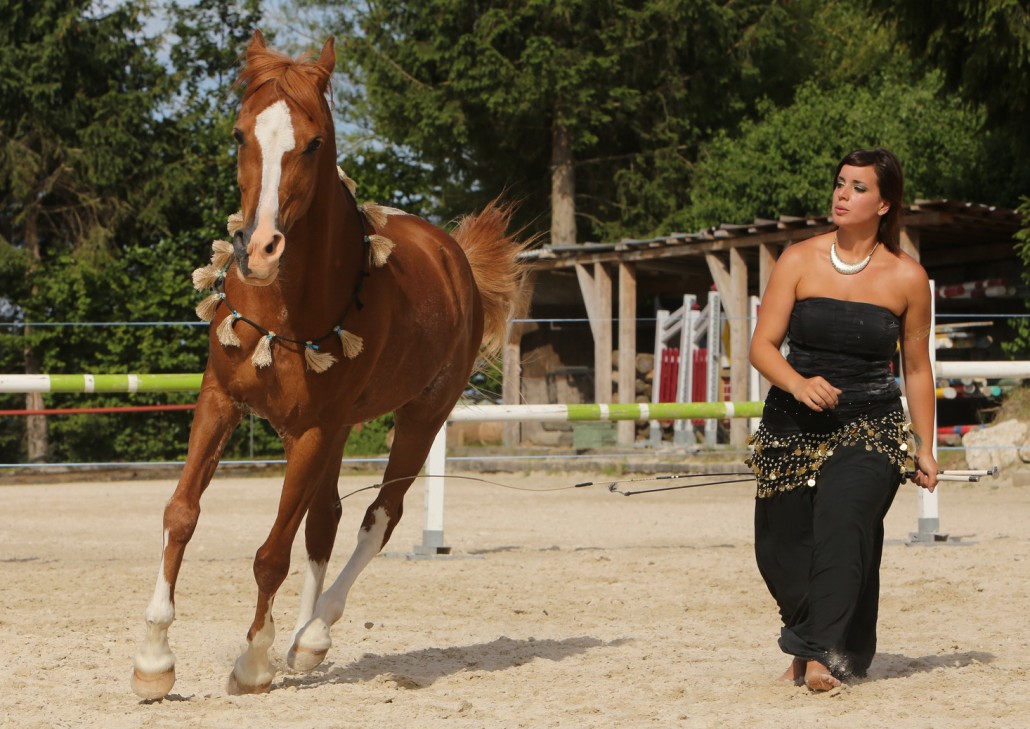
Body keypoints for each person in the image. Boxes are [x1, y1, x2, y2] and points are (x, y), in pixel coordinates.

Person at [746, 147, 939, 692]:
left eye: (858, 187)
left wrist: (925, 447)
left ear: (884, 203)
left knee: (843, 524)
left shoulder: (908, 277)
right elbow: (762, 347)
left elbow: (917, 369)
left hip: (871, 424)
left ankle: (817, 656)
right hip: (790, 422)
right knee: (780, 547)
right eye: (840, 183)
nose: (842, 194)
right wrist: (798, 383)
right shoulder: (797, 259)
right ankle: (812, 642)